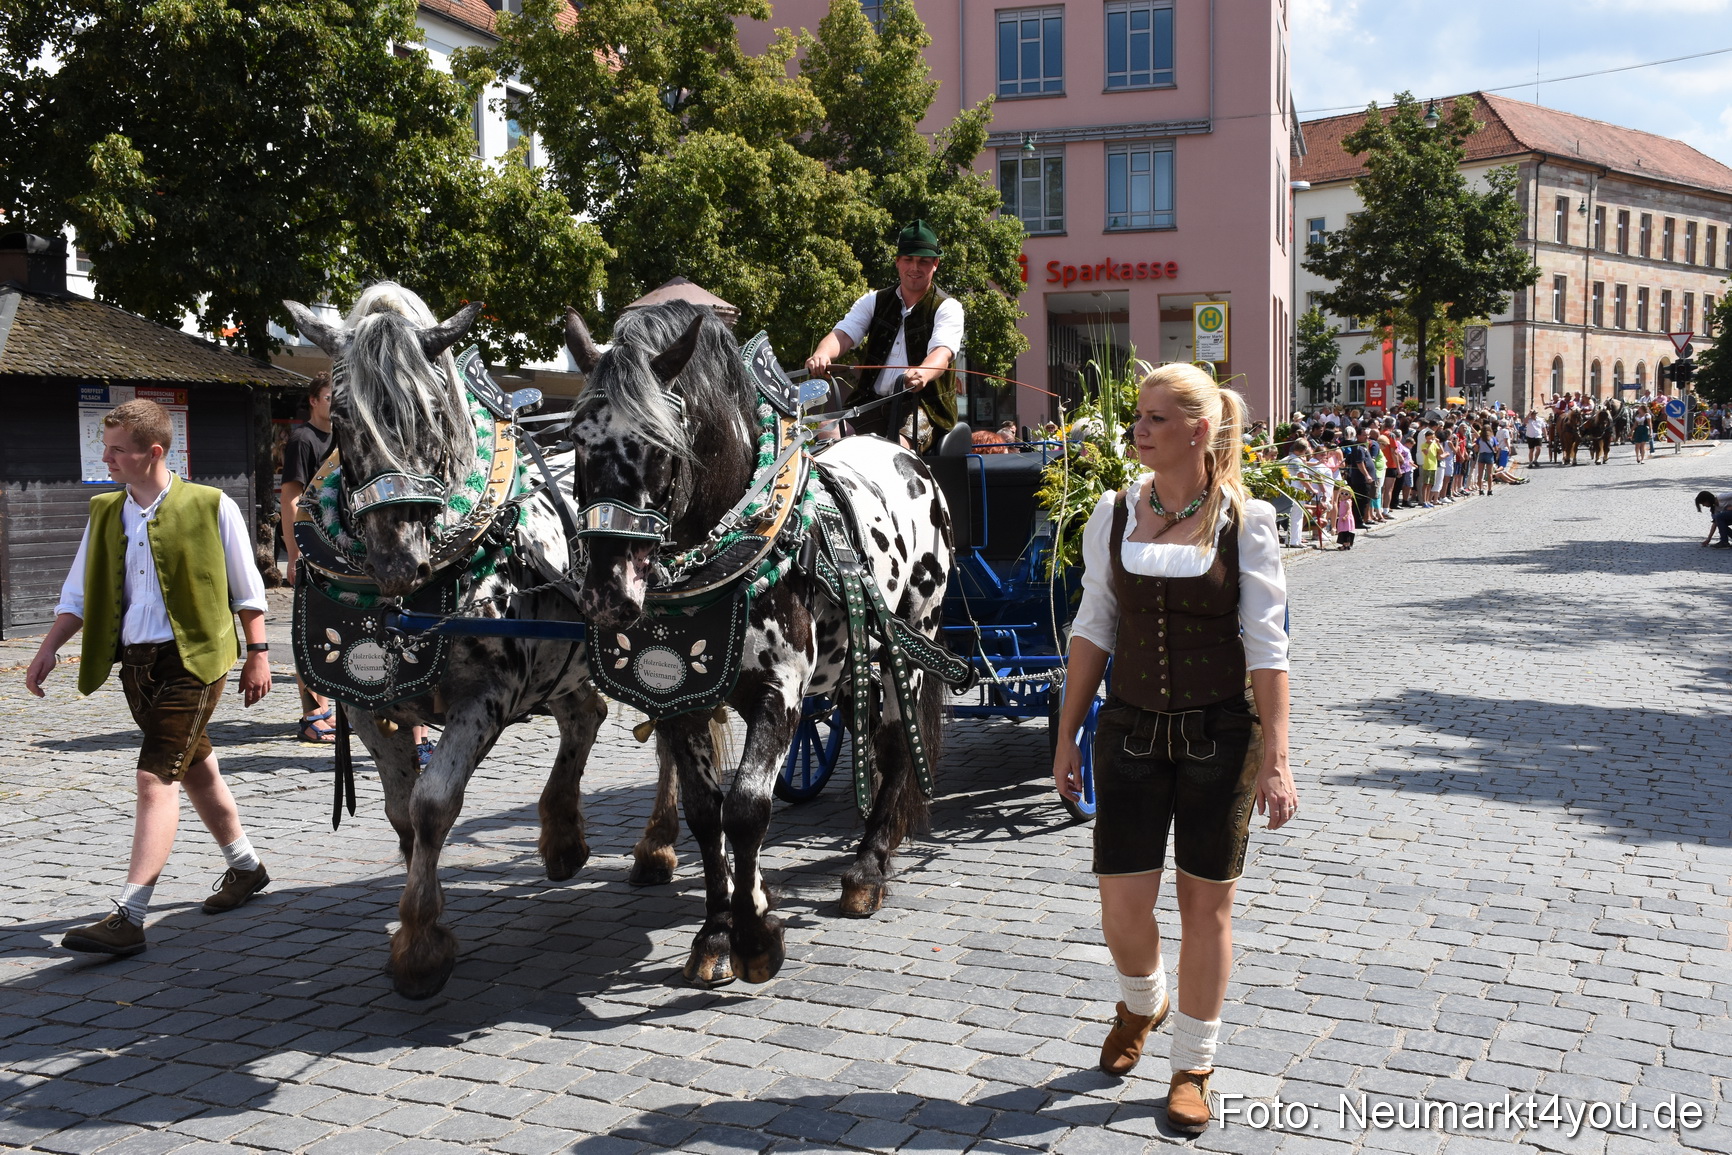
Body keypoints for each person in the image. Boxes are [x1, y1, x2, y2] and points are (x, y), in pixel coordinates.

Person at [1052, 363, 1294, 1136]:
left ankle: (1193, 1061)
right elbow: (1094, 625)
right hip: (1129, 725)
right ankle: (1141, 998)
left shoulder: (1243, 521)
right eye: (1138, 415)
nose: (1139, 428)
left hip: (1220, 731)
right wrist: (1068, 730)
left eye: (1156, 418)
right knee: (1121, 904)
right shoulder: (1113, 510)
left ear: (1198, 430)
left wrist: (1279, 758)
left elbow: (1267, 646)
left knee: (1205, 905)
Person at [25, 400, 272, 956]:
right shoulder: (106, 512)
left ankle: (130, 916)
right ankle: (247, 867)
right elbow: (79, 594)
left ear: (152, 452)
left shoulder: (212, 505)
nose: (106, 458)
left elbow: (247, 590)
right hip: (136, 666)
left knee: (153, 777)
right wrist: (47, 650)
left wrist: (258, 654)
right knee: (195, 768)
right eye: (105, 446)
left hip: (196, 660)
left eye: (116, 449)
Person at [805, 219, 963, 452]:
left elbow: (942, 353)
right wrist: (822, 354)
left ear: (935, 264)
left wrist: (923, 373)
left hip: (923, 408)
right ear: (898, 262)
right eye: (908, 259)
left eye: (923, 261)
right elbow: (843, 334)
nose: (915, 268)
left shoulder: (947, 307)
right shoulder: (874, 301)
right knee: (828, 430)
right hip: (870, 403)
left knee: (891, 453)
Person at [280, 373, 336, 743]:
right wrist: (295, 552)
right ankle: (310, 714)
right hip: (312, 546)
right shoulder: (303, 440)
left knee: (336, 628)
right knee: (308, 631)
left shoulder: (346, 436)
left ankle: (330, 705)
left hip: (340, 548)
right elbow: (290, 499)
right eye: (330, 396)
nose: (336, 402)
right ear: (314, 400)